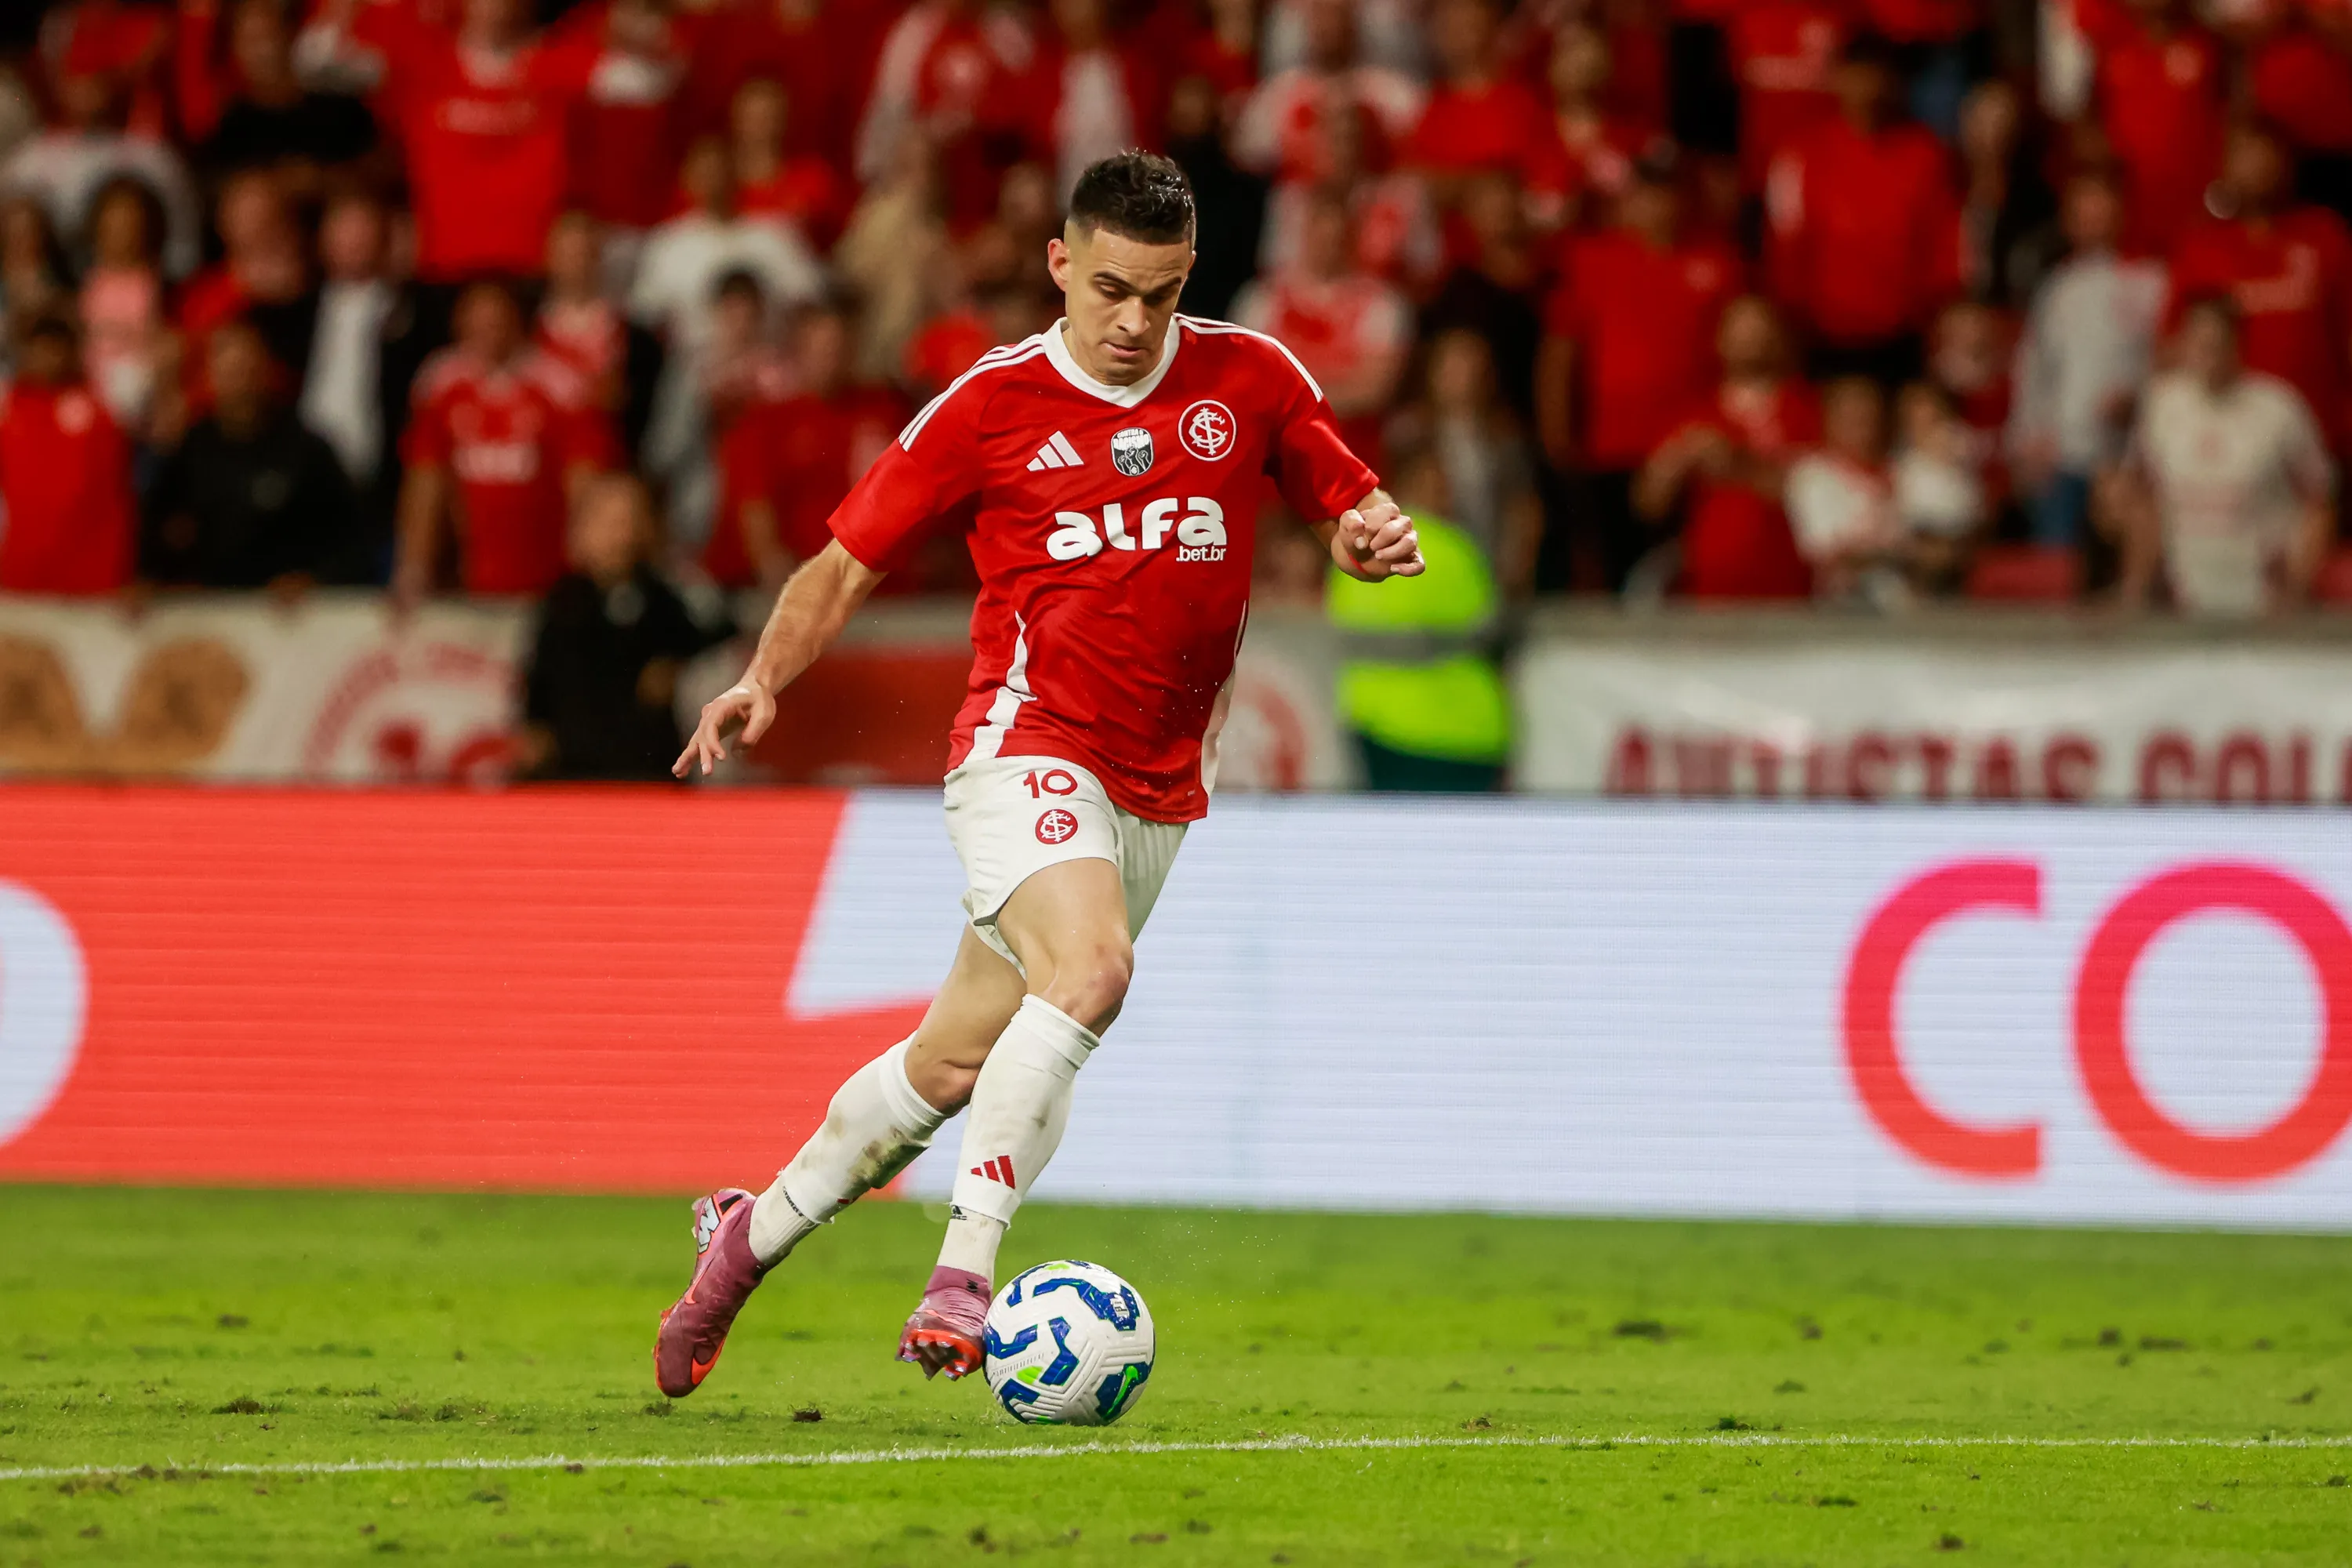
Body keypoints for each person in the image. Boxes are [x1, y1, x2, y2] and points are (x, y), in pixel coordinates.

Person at [652, 151, 1422, 1394]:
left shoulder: (1254, 380)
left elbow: (1346, 499)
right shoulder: (988, 404)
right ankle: (964, 1276)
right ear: (1060, 264)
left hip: (1160, 783)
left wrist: (1368, 535)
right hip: (1025, 745)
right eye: (1111, 288)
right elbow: (843, 562)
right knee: (1094, 970)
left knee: (958, 1062)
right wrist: (764, 678)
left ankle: (744, 1244)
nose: (1133, 323)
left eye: (1161, 296)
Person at [394, 278, 619, 601]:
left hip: (548, 574)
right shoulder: (440, 383)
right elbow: (426, 481)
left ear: (517, 321)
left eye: (496, 321)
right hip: (468, 575)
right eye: (477, 321)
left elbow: (584, 481)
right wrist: (414, 568)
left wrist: (585, 569)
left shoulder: (559, 385)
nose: (487, 332)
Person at [2114, 296, 2335, 618]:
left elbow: (2320, 503)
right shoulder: (2161, 406)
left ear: (2238, 344)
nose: (2207, 355)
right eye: (2198, 343)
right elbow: (2140, 498)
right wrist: (2137, 586)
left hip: (2264, 603)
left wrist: (2296, 589)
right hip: (2183, 603)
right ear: (2183, 343)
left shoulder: (2280, 408)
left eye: (2216, 344)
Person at [519, 474, 728, 780]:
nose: (622, 535)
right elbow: (539, 685)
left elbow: (715, 634)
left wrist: (677, 669)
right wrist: (535, 730)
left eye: (630, 521)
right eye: (610, 523)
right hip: (572, 769)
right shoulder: (562, 604)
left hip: (649, 767)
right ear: (582, 531)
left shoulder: (664, 597)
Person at [2007, 169, 2165, 548]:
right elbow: (2034, 368)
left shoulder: (2152, 281)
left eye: (2101, 209)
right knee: (2056, 564)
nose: (2092, 220)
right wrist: (2026, 437)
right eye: (2083, 211)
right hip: (2062, 457)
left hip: (2127, 456)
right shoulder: (2057, 288)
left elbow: (2167, 362)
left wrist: (2138, 398)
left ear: (2120, 212)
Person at [143, 318, 355, 590]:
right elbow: (159, 531)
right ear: (211, 375)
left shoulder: (306, 449)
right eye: (228, 372)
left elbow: (348, 538)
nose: (238, 383)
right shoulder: (191, 447)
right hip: (211, 605)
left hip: (289, 613)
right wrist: (155, 580)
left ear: (266, 370)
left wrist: (315, 579)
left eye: (245, 370)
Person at [0, 313, 135, 595]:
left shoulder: (98, 412)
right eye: (40, 349)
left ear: (71, 352)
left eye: (55, 348)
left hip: (88, 575)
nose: (48, 358)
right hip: (22, 571)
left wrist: (119, 568)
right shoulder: (9, 412)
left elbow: (116, 493)